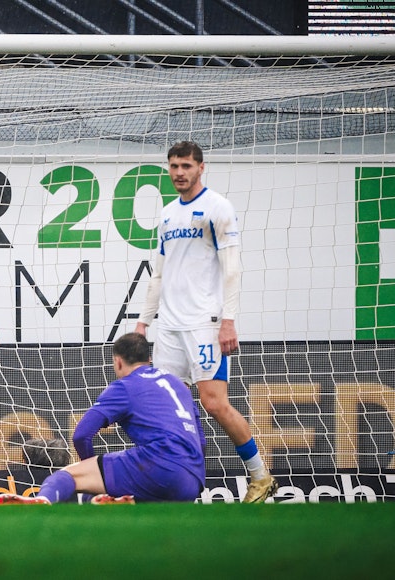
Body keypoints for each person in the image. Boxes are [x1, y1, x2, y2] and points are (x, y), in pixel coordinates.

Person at [134, 141, 277, 503]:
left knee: (213, 403)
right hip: (168, 326)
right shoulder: (167, 214)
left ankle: (260, 475)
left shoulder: (217, 207)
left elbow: (232, 269)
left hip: (204, 324)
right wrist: (142, 323)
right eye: (173, 166)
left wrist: (227, 321)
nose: (179, 172)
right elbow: (158, 275)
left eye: (185, 166)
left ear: (201, 167)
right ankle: (180, 484)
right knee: (169, 407)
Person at [0, 332, 205, 504]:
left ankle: (43, 500)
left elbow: (81, 435)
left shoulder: (125, 386)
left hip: (158, 466)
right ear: (149, 360)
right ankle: (123, 501)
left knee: (66, 477)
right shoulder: (178, 384)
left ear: (118, 362)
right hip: (193, 480)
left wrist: (90, 468)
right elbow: (202, 441)